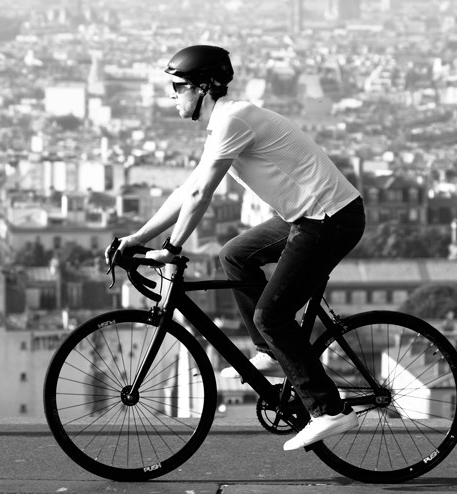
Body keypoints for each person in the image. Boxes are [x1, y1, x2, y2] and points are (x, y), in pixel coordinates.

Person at [105, 45, 366, 451]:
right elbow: (187, 189)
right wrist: (138, 239)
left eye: (177, 86)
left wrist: (172, 246)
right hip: (309, 215)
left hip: (329, 219)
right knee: (234, 255)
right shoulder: (226, 121)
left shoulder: (233, 120)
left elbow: (201, 193)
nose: (172, 95)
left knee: (272, 314)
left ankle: (327, 410)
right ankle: (269, 350)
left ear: (203, 88)